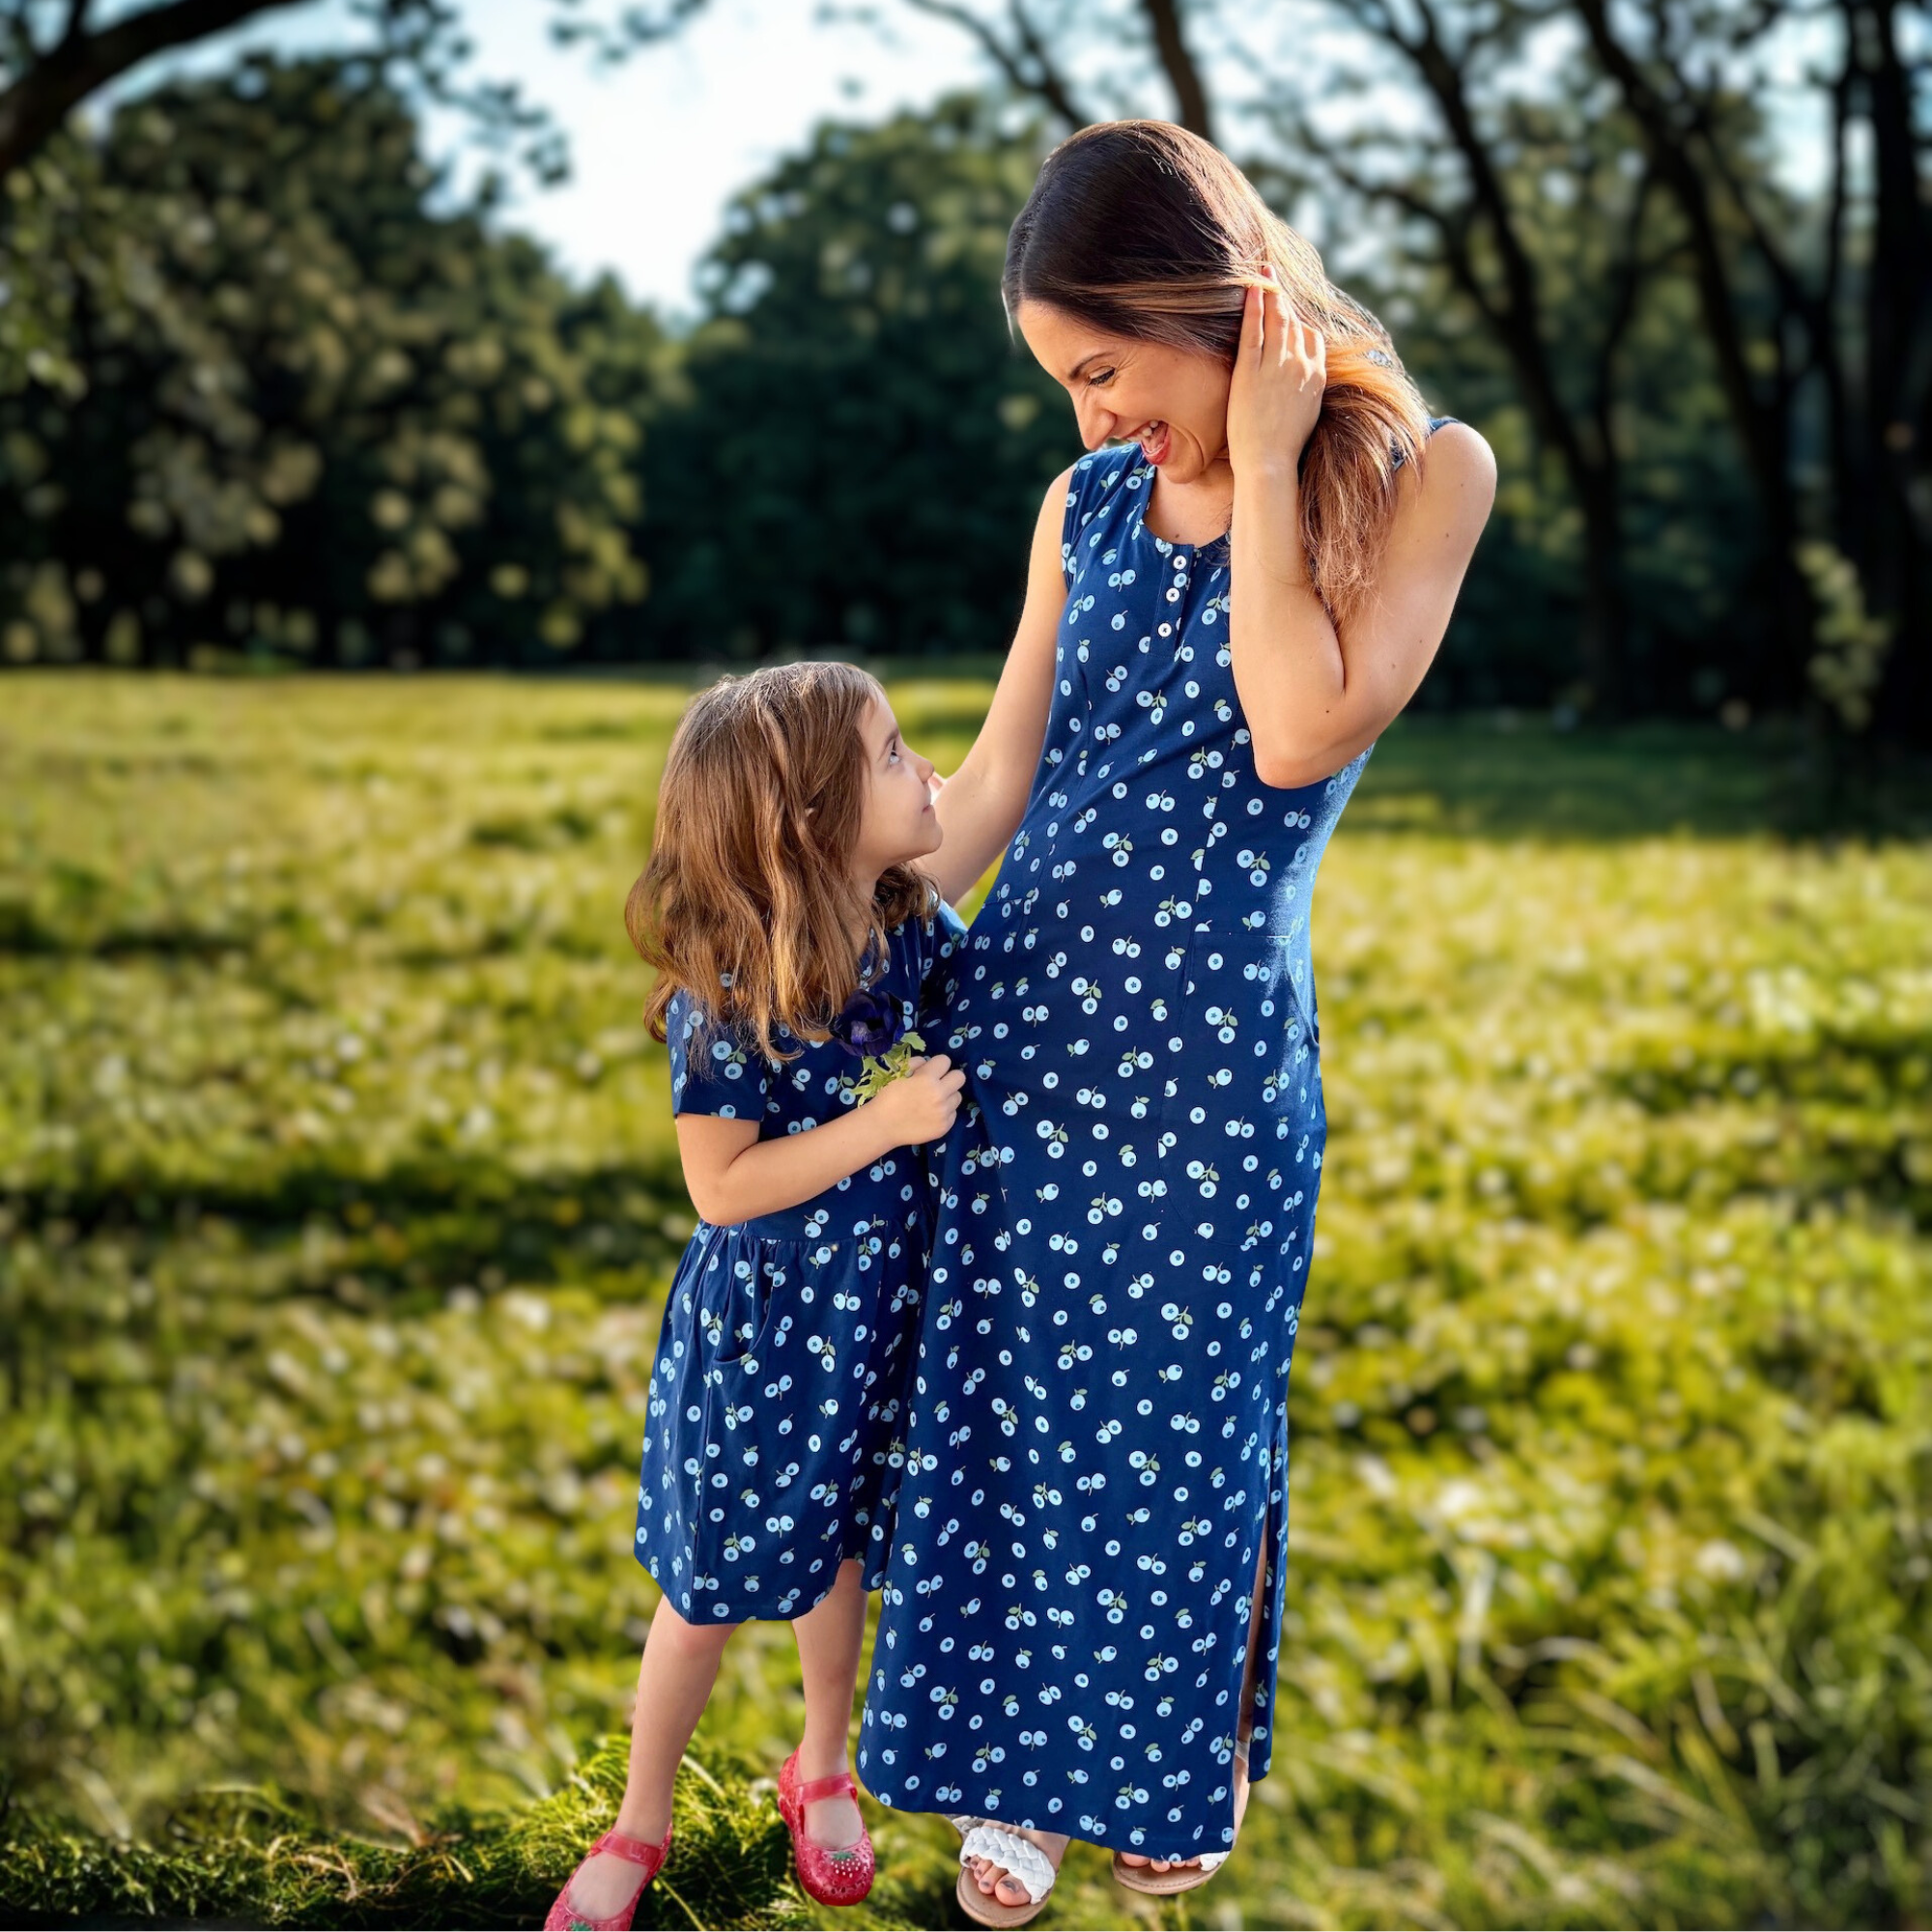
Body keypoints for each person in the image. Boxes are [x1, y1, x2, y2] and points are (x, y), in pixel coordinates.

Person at [853, 120, 1496, 1927]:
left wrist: (1277, 462)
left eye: (1102, 370)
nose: (1089, 420)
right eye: (1068, 384)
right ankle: (1018, 1786)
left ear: (1206, 308)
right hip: (1026, 1027)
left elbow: (1295, 731)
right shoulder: (1087, 512)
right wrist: (826, 913)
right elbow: (989, 790)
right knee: (1018, 1408)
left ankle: (1156, 1756)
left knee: (1178, 1420)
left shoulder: (1423, 474)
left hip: (1212, 1063)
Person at [544, 662, 968, 1930]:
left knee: (835, 1557)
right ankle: (641, 1820)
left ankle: (822, 1767)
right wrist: (887, 1125)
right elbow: (721, 1186)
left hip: (871, 1321)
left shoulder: (903, 930)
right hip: (763, 1339)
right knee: (709, 1591)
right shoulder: (731, 987)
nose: (926, 770)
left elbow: (989, 998)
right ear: (812, 823)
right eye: (896, 756)